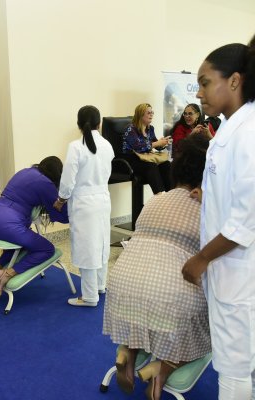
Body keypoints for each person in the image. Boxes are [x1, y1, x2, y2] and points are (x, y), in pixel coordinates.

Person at [103, 134, 211, 400]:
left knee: (145, 312)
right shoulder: (208, 208)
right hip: (168, 301)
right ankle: (160, 369)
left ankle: (127, 352)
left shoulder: (156, 199)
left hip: (121, 290)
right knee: (210, 326)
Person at [182, 34, 255, 399]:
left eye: (205, 83)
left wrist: (200, 258)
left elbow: (244, 222)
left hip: (237, 272)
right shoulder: (229, 127)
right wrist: (207, 194)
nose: (199, 93)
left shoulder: (249, 133)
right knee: (237, 361)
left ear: (235, 81)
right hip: (230, 271)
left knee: (234, 368)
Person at [0, 156, 68, 297]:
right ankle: (6, 274)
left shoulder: (25, 171)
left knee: (20, 243)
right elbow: (59, 215)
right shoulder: (46, 184)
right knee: (46, 248)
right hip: (6, 223)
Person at [53, 105, 114, 307]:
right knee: (102, 243)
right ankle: (100, 286)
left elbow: (68, 178)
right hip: (103, 200)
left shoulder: (76, 146)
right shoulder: (107, 145)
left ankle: (89, 296)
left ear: (79, 124)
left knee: (88, 247)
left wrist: (61, 199)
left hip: (84, 203)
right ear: (100, 123)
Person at [122, 103, 171, 194]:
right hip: (132, 159)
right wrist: (156, 143)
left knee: (166, 164)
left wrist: (163, 143)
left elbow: (156, 145)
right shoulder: (130, 129)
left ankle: (171, 194)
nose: (151, 115)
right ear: (140, 114)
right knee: (151, 166)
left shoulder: (150, 128)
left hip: (145, 158)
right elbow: (138, 147)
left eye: (152, 112)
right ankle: (159, 196)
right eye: (148, 113)